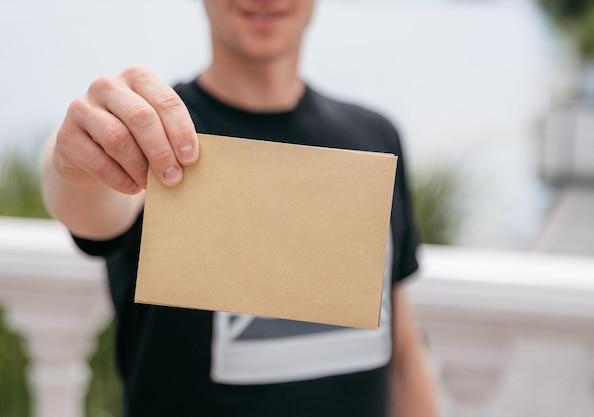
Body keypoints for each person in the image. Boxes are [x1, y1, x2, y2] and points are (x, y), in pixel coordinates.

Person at [41, 1, 439, 416]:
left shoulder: (374, 137)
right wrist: (72, 158)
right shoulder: (157, 133)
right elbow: (86, 201)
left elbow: (404, 353)